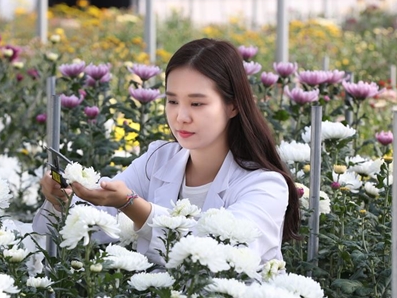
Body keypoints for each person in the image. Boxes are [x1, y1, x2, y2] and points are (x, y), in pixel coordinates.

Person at [33, 38, 300, 264]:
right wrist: (64, 200)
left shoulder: (264, 184)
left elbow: (224, 256)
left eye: (196, 103)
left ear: (233, 106)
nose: (181, 116)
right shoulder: (158, 159)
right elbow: (101, 224)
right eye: (172, 101)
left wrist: (132, 205)